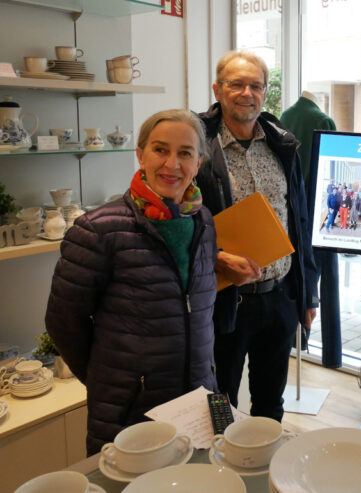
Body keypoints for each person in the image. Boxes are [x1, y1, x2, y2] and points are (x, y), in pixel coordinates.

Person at [44, 109, 217, 455]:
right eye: (160, 149)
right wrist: (109, 381)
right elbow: (63, 322)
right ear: (140, 154)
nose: (172, 164)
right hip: (130, 411)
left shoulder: (202, 221)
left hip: (197, 401)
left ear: (198, 163)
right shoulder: (98, 229)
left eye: (185, 153)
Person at [196, 51, 318, 422]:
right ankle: (219, 475)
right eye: (236, 84)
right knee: (219, 401)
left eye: (256, 85)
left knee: (270, 402)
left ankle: (262, 466)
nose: (246, 93)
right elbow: (178, 221)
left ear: (265, 93)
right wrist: (214, 257)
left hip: (279, 296)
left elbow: (300, 219)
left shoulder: (282, 144)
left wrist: (308, 290)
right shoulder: (197, 144)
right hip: (225, 301)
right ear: (217, 89)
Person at [281, 90, 342, 367]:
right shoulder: (324, 120)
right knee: (318, 275)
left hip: (291, 208)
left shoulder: (286, 115)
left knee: (297, 274)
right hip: (314, 212)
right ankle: (318, 345)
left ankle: (298, 340)